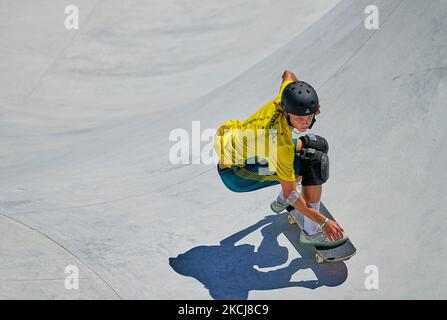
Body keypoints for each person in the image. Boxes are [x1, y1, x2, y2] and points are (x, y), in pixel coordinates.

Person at [213, 70, 347, 247]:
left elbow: (288, 74)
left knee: (317, 145)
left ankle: (280, 202)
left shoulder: (284, 98)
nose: (306, 122)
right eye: (300, 118)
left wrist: (306, 105)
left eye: (310, 116)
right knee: (312, 162)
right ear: (287, 112)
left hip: (246, 150)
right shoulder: (279, 144)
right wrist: (324, 222)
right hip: (238, 174)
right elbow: (292, 195)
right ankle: (312, 233)